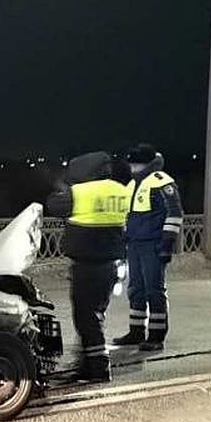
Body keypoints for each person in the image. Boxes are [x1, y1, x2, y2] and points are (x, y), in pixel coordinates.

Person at [44, 151, 133, 383]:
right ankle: (88, 362)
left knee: (85, 317)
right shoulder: (121, 190)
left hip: (87, 265)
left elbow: (53, 205)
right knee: (95, 315)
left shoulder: (80, 192)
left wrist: (61, 186)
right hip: (112, 263)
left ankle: (97, 368)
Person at [112, 143, 184, 352]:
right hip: (134, 244)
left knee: (155, 291)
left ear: (146, 164)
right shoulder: (132, 184)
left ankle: (156, 336)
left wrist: (167, 245)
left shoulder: (162, 182)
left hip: (154, 244)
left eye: (135, 164)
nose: (132, 168)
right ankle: (136, 332)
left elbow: (175, 214)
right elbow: (127, 215)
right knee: (135, 290)